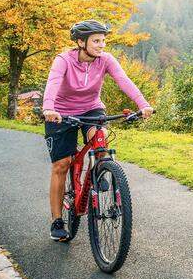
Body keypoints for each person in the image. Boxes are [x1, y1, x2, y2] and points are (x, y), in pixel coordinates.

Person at [42, 20, 154, 241]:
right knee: (61, 165)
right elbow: (53, 83)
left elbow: (124, 80)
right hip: (61, 113)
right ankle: (57, 220)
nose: (101, 45)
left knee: (99, 141)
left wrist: (143, 104)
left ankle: (101, 170)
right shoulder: (63, 60)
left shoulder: (105, 60)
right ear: (81, 42)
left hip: (91, 108)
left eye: (103, 40)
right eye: (96, 41)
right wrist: (48, 108)